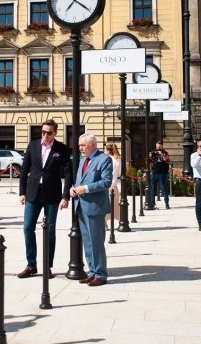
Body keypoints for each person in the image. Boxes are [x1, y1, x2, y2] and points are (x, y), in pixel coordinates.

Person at [16, 120, 72, 278]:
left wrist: (65, 196)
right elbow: (24, 169)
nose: (45, 135)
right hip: (33, 193)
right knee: (28, 228)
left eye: (49, 133)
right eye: (43, 132)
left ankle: (47, 266)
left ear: (55, 133)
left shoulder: (61, 149)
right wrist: (22, 192)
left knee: (50, 231)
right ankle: (31, 264)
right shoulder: (33, 145)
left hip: (52, 195)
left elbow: (68, 174)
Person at [64, 133, 113, 286]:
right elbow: (79, 181)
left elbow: (106, 182)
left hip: (95, 208)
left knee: (96, 241)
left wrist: (85, 189)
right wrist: (73, 189)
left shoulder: (104, 159)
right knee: (88, 242)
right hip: (81, 206)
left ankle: (100, 274)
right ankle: (92, 272)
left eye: (83, 145)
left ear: (92, 144)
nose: (80, 148)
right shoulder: (82, 161)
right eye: (79, 145)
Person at [147, 140, 171, 209]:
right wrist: (151, 154)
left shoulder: (165, 153)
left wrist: (161, 154)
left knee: (164, 189)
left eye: (159, 147)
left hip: (162, 173)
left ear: (162, 146)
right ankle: (152, 203)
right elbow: (149, 159)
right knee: (153, 188)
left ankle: (167, 203)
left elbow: (167, 161)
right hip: (154, 173)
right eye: (157, 147)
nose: (158, 148)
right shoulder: (154, 152)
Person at [104, 142, 122, 229]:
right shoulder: (118, 160)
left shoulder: (105, 159)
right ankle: (120, 221)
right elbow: (119, 173)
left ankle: (105, 224)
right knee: (116, 205)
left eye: (105, 149)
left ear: (108, 150)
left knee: (105, 205)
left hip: (106, 185)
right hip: (114, 184)